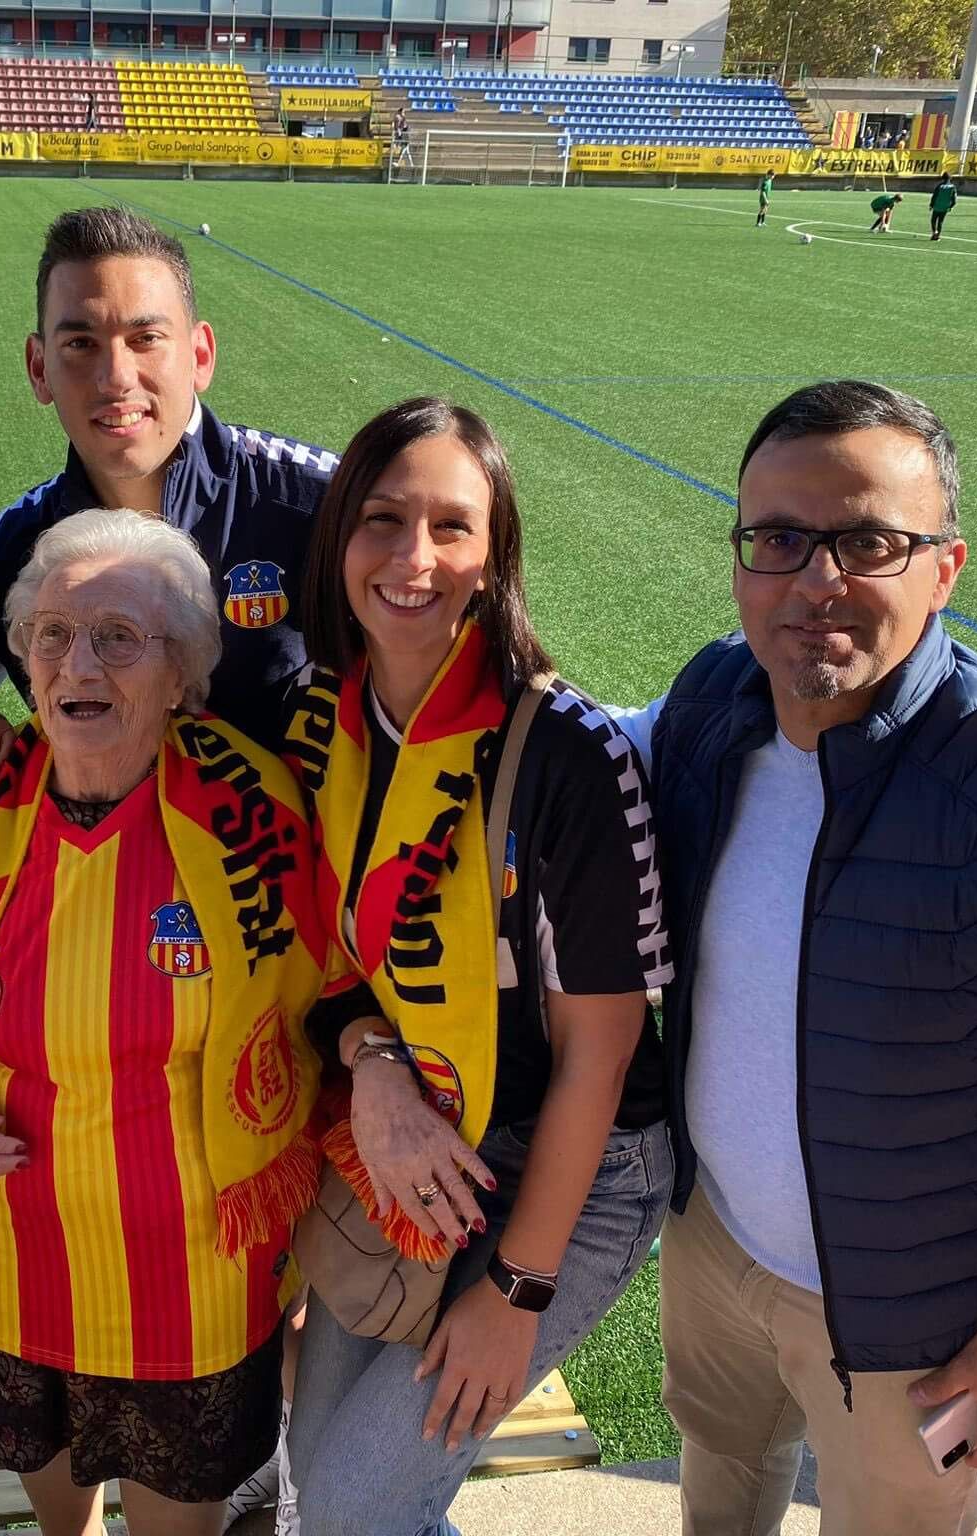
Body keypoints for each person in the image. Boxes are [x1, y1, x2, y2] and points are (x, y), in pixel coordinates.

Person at [618, 380, 977, 1536]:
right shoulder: (712, 700)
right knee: (716, 1485)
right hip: (713, 1246)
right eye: (777, 540)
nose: (814, 581)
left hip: (921, 1328)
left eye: (868, 542)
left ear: (944, 567)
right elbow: (573, 767)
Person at [0, 508, 329, 1536]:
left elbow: (334, 995)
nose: (77, 662)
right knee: (59, 1524)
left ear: (181, 673)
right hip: (10, 1264)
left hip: (193, 1287)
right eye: (51, 635)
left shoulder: (260, 809)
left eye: (118, 639)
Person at [281, 399, 674, 1536]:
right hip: (417, 1142)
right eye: (382, 520)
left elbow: (597, 1062)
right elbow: (332, 962)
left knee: (353, 1511)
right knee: (325, 1473)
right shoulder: (329, 718)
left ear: (493, 556)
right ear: (337, 539)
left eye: (451, 528)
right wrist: (373, 1069)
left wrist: (514, 1293)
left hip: (576, 1169)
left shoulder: (567, 757)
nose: (412, 560)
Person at [0, 206, 338, 772]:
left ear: (199, 355)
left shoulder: (320, 506)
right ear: (38, 368)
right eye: (81, 344)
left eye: (145, 338)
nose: (116, 377)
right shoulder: (9, 554)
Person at [928, 173, 956, 241]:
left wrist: (931, 205)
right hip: (945, 207)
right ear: (950, 178)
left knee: (933, 220)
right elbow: (954, 199)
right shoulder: (952, 187)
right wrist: (951, 206)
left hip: (937, 206)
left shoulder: (939, 186)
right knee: (940, 221)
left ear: (942, 178)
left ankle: (934, 232)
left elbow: (934, 196)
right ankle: (938, 236)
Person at [392, 106, 413, 170]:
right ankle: (411, 164)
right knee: (406, 151)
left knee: (404, 150)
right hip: (405, 137)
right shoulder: (401, 120)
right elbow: (399, 127)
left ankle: (399, 163)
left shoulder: (403, 121)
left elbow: (402, 127)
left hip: (406, 138)